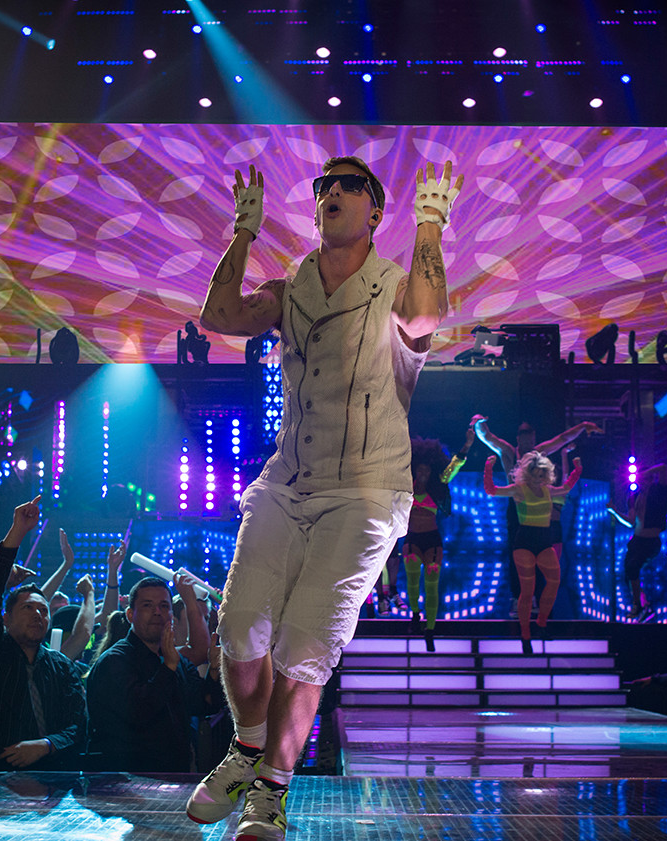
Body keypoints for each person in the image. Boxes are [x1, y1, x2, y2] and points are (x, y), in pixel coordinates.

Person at [184, 154, 461, 840]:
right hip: (288, 481)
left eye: (350, 186)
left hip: (365, 491)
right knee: (238, 625)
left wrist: (430, 223)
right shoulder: (291, 288)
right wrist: (243, 233)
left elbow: (427, 316)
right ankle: (247, 747)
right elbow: (218, 313)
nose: (332, 192)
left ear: (375, 211)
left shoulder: (396, 288)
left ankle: (270, 792)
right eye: (324, 186)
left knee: (304, 646)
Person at [0, 497, 87, 772]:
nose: (37, 614)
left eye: (43, 610)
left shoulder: (61, 666)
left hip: (54, 781)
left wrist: (46, 745)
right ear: (5, 619)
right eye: (28, 608)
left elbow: (79, 725)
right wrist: (17, 532)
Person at [86, 574, 218, 772]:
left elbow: (204, 702)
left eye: (164, 606)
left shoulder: (175, 659)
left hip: (173, 776)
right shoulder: (114, 660)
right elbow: (139, 713)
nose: (157, 612)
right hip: (124, 779)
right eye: (148, 605)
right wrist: (168, 668)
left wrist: (215, 669)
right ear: (130, 615)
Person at [473, 416, 600, 618]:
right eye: (524, 435)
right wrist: (479, 424)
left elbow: (563, 438)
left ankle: (538, 600)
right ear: (518, 438)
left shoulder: (539, 453)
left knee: (541, 553)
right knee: (517, 553)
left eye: (531, 435)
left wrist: (583, 426)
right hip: (517, 506)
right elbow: (487, 437)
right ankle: (518, 597)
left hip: (539, 509)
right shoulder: (508, 452)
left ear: (534, 437)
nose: (528, 439)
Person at [483, 451, 582, 651]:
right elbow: (491, 490)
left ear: (546, 475)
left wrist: (578, 469)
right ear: (527, 475)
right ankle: (525, 634)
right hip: (524, 542)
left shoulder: (548, 490)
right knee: (527, 591)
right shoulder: (518, 489)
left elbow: (566, 488)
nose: (538, 479)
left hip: (544, 541)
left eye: (541, 475)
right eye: (535, 475)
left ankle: (542, 622)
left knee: (554, 581)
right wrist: (488, 467)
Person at [401, 431, 470, 650]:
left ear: (432, 470)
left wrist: (467, 445)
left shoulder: (437, 486)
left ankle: (430, 629)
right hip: (412, 539)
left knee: (431, 586)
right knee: (413, 580)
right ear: (415, 469)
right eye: (420, 469)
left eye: (427, 470)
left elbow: (453, 467)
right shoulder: (405, 486)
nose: (423, 473)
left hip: (432, 540)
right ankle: (415, 613)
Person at [622, 463, 667, 621]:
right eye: (641, 480)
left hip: (650, 541)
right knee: (629, 573)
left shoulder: (659, 491)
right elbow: (630, 521)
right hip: (637, 540)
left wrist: (644, 472)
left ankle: (638, 606)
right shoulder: (634, 496)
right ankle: (643, 605)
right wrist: (614, 511)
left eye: (645, 479)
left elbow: (663, 468)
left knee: (632, 567)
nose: (642, 483)